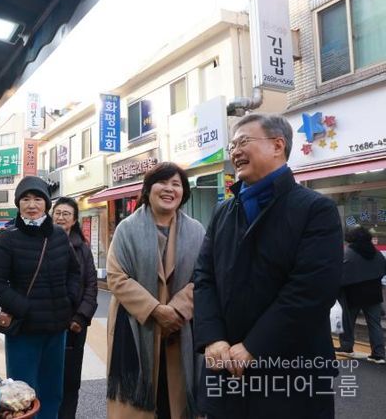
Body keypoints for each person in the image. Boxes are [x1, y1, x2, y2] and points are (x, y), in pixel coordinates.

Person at [193, 113, 343, 419]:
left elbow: (312, 290)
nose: (235, 151)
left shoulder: (316, 209)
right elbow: (204, 277)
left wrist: (254, 346)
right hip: (227, 369)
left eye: (243, 141)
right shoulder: (223, 212)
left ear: (277, 145)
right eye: (232, 145)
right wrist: (212, 337)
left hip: (292, 373)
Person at [106, 162, 206, 419]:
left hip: (181, 327)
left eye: (176, 184)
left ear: (184, 193)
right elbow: (116, 277)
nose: (169, 189)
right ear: (148, 189)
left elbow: (204, 276)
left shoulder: (196, 231)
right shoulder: (126, 229)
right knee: (138, 404)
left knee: (175, 400)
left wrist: (177, 310)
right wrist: (155, 310)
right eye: (163, 182)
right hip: (136, 326)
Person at [0, 176, 80, 419]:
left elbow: (74, 272)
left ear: (47, 203)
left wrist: (69, 302)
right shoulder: (8, 237)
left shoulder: (59, 235)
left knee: (52, 392)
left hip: (56, 330)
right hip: (23, 330)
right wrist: (25, 308)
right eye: (25, 199)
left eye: (38, 199)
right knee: (21, 397)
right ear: (18, 204)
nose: (31, 205)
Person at [52, 197, 98, 419]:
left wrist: (81, 317)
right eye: (57, 213)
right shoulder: (42, 242)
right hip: (46, 323)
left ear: (74, 220)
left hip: (74, 326)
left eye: (66, 214)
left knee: (70, 381)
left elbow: (91, 285)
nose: (61, 217)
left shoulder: (83, 249)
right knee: (47, 378)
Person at [336, 225, 386, 363]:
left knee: (348, 321)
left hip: (353, 293)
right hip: (374, 292)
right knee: (374, 323)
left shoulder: (349, 252)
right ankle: (378, 353)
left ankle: (347, 347)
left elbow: (340, 273)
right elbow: (383, 268)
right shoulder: (375, 252)